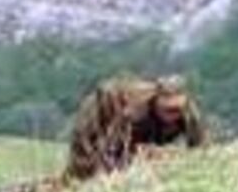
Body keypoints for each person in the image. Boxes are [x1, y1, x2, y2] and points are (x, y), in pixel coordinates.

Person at [65, 74, 207, 181]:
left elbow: (201, 150)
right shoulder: (135, 110)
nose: (171, 116)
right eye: (166, 110)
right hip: (103, 107)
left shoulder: (190, 115)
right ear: (156, 101)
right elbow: (113, 144)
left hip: (143, 128)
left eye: (176, 110)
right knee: (85, 164)